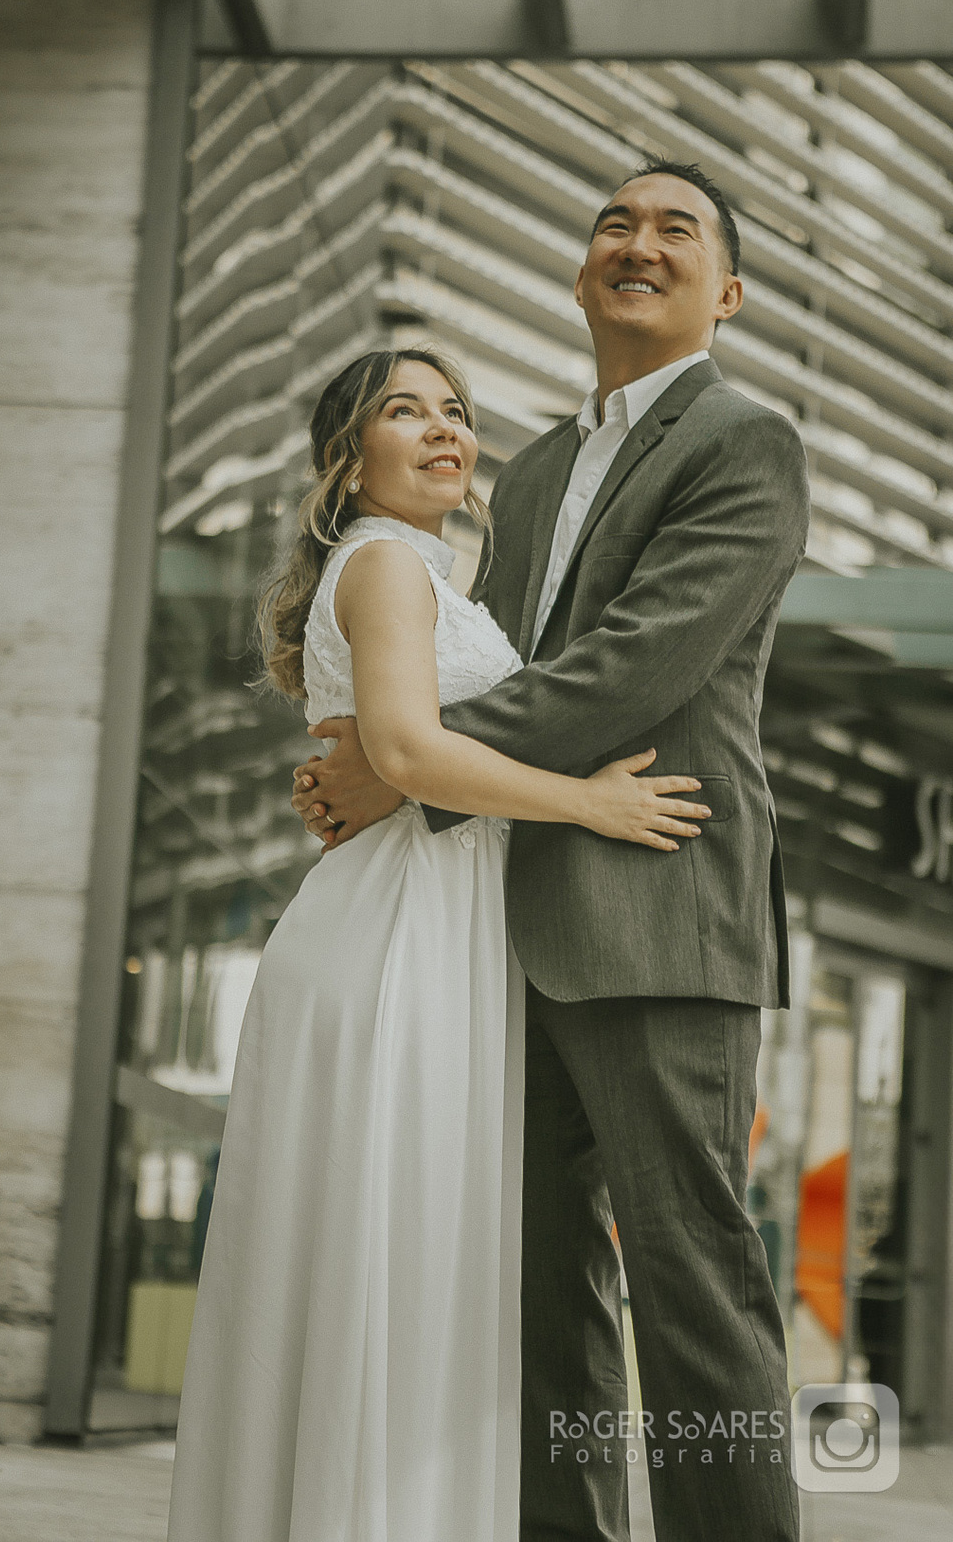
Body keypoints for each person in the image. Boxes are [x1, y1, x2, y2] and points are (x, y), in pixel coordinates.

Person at [292, 160, 810, 1542]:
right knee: (533, 1299)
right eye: (613, 225)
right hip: (502, 931)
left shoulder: (746, 443)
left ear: (728, 291)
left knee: (696, 1291)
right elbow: (492, 672)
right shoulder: (522, 477)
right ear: (582, 276)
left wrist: (396, 773)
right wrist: (396, 750)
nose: (637, 243)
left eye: (675, 230)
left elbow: (633, 674)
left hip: (661, 903)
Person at [166, 342, 711, 1542]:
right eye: (404, 411)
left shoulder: (426, 574)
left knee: (398, 1254)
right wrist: (592, 803)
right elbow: (408, 755)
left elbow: (399, 751)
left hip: (429, 916)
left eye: (455, 411)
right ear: (347, 457)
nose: (442, 429)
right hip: (400, 937)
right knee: (397, 1254)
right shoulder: (385, 567)